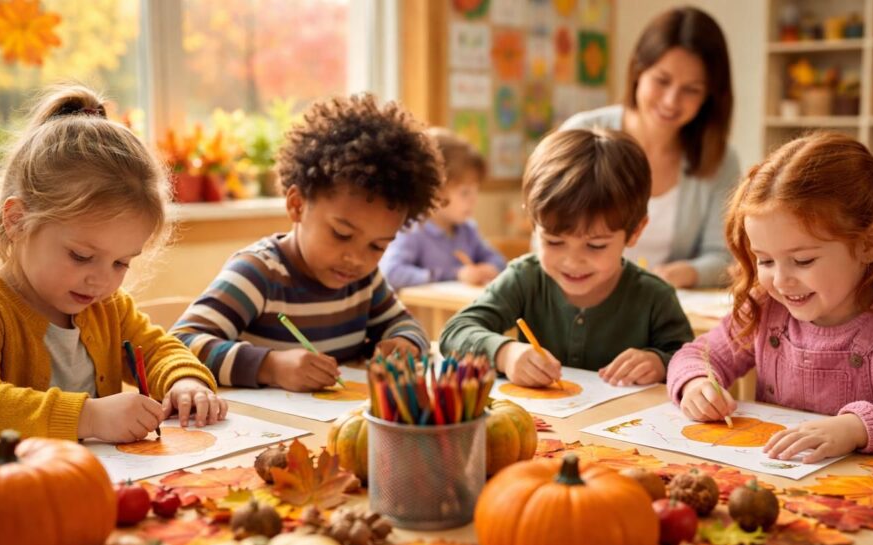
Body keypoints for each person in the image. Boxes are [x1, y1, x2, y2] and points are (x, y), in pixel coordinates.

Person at [669, 131, 873, 462]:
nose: (781, 281)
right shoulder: (766, 307)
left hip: (865, 487)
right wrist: (695, 383)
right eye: (765, 260)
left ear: (869, 243)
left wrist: (855, 428)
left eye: (803, 261)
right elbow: (698, 354)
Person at [0, 84, 226, 443]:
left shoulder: (108, 308)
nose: (101, 281)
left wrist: (185, 380)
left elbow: (159, 349)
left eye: (121, 263)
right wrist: (88, 417)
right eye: (81, 256)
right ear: (17, 221)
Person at [172, 94, 441, 392]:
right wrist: (270, 367)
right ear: (297, 205)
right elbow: (180, 343)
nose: (356, 258)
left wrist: (404, 343)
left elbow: (407, 325)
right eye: (341, 234)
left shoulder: (364, 282)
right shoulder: (259, 273)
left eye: (377, 246)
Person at [439, 128, 693, 387]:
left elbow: (693, 363)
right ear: (533, 223)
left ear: (635, 231)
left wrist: (660, 362)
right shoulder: (525, 278)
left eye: (595, 245)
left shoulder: (655, 297)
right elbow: (456, 332)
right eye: (554, 241)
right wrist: (505, 354)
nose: (572, 261)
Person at [560, 5, 738, 289]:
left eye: (691, 89)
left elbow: (723, 256)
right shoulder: (580, 134)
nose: (671, 101)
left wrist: (687, 273)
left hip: (666, 306)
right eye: (662, 80)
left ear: (710, 96)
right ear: (638, 70)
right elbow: (548, 233)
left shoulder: (721, 160)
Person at [379, 127, 506, 290]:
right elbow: (392, 272)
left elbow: (499, 261)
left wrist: (488, 269)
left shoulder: (467, 230)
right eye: (465, 192)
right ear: (434, 191)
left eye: (476, 191)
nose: (474, 200)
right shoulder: (413, 230)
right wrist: (454, 274)